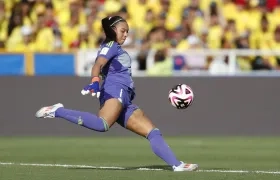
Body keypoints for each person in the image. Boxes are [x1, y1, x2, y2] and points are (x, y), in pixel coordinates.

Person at [35, 15, 198, 172]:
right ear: (113, 30)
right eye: (123, 30)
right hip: (115, 89)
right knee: (102, 124)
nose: (126, 34)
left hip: (125, 98)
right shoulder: (110, 45)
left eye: (127, 31)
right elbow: (98, 64)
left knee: (153, 132)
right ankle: (58, 111)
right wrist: (94, 81)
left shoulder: (115, 47)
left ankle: (177, 165)